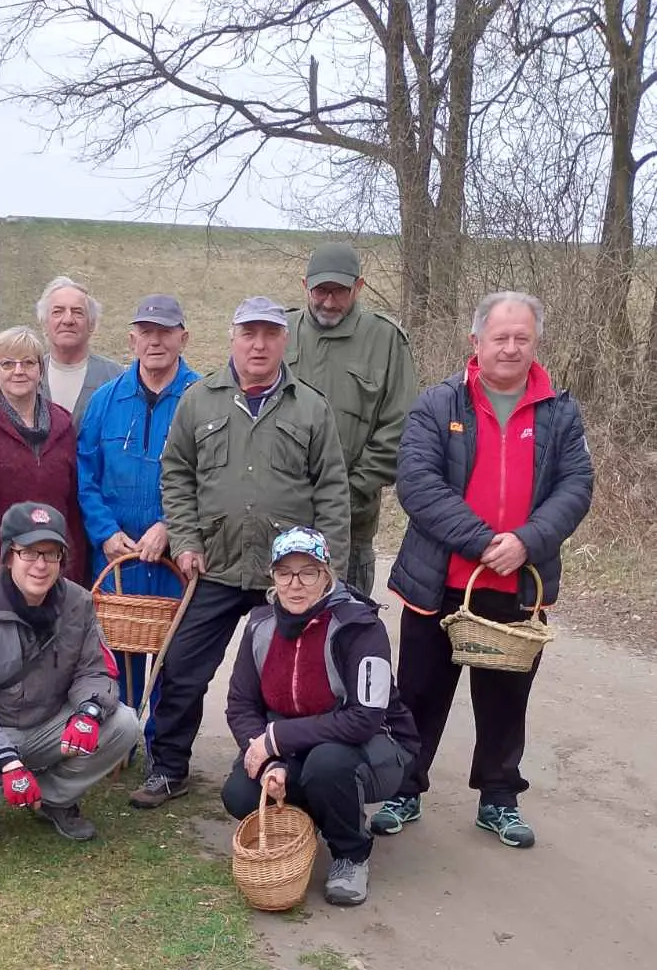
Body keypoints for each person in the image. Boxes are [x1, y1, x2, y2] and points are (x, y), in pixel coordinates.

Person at [373, 291, 593, 849]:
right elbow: (418, 485)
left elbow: (576, 487)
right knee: (420, 691)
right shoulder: (437, 403)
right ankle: (404, 789)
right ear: (476, 342)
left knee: (506, 696)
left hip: (520, 583)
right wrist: (481, 540)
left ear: (535, 343)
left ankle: (499, 798)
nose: (511, 348)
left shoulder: (560, 410)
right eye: (501, 337)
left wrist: (525, 542)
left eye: (522, 338)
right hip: (439, 582)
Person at [129, 295, 350, 809]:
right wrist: (185, 540)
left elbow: (333, 490)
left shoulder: (311, 407)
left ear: (284, 341)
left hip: (288, 576)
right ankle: (168, 769)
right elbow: (177, 475)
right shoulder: (200, 400)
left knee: (297, 675)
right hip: (217, 567)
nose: (259, 344)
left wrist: (323, 567)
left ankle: (293, 772)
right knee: (181, 668)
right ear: (232, 338)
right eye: (249, 333)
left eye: (270, 334)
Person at [221, 527, 418, 906]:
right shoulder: (260, 625)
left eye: (307, 572)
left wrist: (276, 740)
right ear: (272, 577)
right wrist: (271, 761)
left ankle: (351, 853)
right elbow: (240, 705)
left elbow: (365, 718)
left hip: (374, 746)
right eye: (284, 573)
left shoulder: (361, 627)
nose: (295, 585)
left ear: (327, 575)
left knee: (327, 765)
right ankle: (315, 817)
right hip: (295, 747)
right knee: (240, 793)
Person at [0, 502, 142, 841]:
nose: (41, 565)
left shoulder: (79, 603)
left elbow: (96, 669)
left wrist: (88, 711)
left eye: (52, 553)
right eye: (29, 552)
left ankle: (53, 800)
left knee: (125, 724)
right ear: (9, 555)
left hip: (48, 724)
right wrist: (6, 760)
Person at [77, 294, 199, 726]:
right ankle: (118, 742)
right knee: (116, 655)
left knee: (174, 659)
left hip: (174, 559)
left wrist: (171, 527)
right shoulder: (106, 400)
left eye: (165, 332)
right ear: (132, 340)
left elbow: (212, 479)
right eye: (146, 332)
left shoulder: (203, 399)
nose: (155, 341)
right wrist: (105, 532)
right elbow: (85, 474)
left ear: (183, 338)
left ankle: (161, 753)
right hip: (116, 557)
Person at [286, 244, 418, 595]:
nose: (329, 302)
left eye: (340, 292)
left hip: (351, 524)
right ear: (305, 286)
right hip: (281, 520)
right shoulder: (279, 333)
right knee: (279, 632)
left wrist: (349, 491)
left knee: (346, 627)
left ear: (358, 288)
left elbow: (399, 427)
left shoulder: (386, 340)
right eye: (321, 291)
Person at [0, 325, 85, 589]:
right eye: (8, 364)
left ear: (40, 370)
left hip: (52, 567)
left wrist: (74, 567)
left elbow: (72, 504)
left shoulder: (63, 423)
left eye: (28, 363)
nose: (19, 371)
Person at [36, 277, 123, 427]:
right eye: (58, 312)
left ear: (92, 324)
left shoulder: (116, 378)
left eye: (77, 312)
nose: (68, 320)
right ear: (44, 323)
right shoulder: (27, 377)